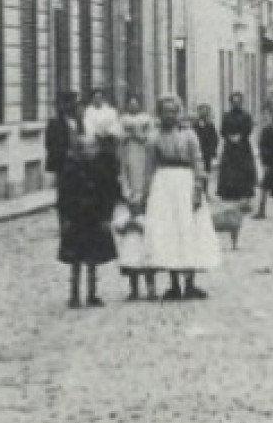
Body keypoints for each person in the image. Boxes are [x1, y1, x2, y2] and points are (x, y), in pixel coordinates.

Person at [142, 97, 221, 300]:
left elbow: (198, 162)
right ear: (159, 114)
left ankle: (190, 283)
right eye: (165, 112)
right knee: (169, 231)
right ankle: (174, 283)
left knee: (189, 229)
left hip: (185, 183)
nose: (169, 116)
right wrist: (146, 193)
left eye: (173, 111)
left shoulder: (189, 136)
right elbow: (149, 168)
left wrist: (197, 190)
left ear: (179, 113)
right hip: (163, 186)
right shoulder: (153, 138)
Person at [45, 91, 118, 307]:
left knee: (93, 256)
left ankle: (92, 293)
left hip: (93, 215)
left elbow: (107, 192)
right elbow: (64, 195)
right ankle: (75, 293)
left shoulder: (99, 168)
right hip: (77, 215)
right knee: (75, 257)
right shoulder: (70, 169)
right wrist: (65, 217)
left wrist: (106, 215)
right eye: (82, 147)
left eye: (90, 147)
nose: (87, 150)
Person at [114, 103, 159, 300]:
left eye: (135, 101)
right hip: (130, 151)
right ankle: (134, 289)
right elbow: (119, 138)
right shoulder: (123, 120)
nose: (132, 104)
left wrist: (139, 135)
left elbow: (150, 138)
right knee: (131, 173)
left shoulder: (147, 120)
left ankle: (149, 288)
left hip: (142, 151)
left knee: (142, 173)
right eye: (130, 102)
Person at [216, 92, 258, 202]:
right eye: (234, 102)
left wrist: (240, 136)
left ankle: (243, 192)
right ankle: (229, 193)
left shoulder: (246, 115)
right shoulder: (226, 115)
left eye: (238, 102)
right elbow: (222, 130)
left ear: (241, 102)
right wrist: (229, 137)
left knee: (243, 169)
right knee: (229, 170)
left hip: (242, 146)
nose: (236, 104)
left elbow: (249, 128)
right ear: (231, 103)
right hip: (230, 147)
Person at [193, 103, 220, 176]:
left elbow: (215, 140)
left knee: (205, 174)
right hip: (195, 153)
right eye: (201, 111)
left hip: (206, 154)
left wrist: (210, 151)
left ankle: (205, 186)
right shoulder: (194, 125)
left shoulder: (210, 126)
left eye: (205, 111)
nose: (203, 113)